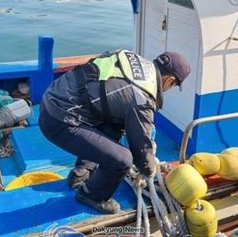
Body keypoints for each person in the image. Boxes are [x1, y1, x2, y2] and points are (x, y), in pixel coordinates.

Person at [39, 50, 191, 214]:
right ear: (169, 80)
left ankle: (81, 173)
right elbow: (141, 151)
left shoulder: (130, 57)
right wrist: (151, 169)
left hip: (53, 97)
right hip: (58, 120)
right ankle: (91, 195)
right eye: (173, 86)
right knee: (123, 160)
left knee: (115, 123)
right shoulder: (143, 99)